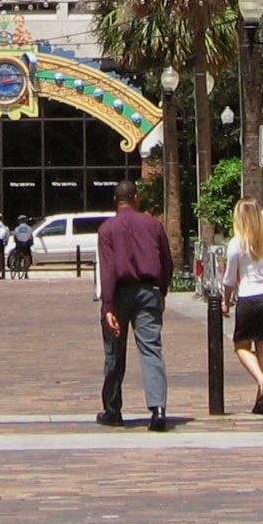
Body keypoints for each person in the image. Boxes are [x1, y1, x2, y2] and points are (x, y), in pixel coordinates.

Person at [95, 180, 173, 432]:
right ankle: (158, 408)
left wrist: (107, 306)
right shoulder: (153, 225)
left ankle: (113, 410)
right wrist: (161, 293)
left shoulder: (107, 229)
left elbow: (107, 270)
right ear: (136, 198)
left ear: (114, 201)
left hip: (118, 294)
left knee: (114, 354)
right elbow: (167, 262)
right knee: (151, 350)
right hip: (149, 291)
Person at [221, 198, 263, 416]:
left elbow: (229, 278)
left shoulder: (236, 243)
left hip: (248, 298)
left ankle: (262, 381)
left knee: (241, 346)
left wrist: (226, 301)